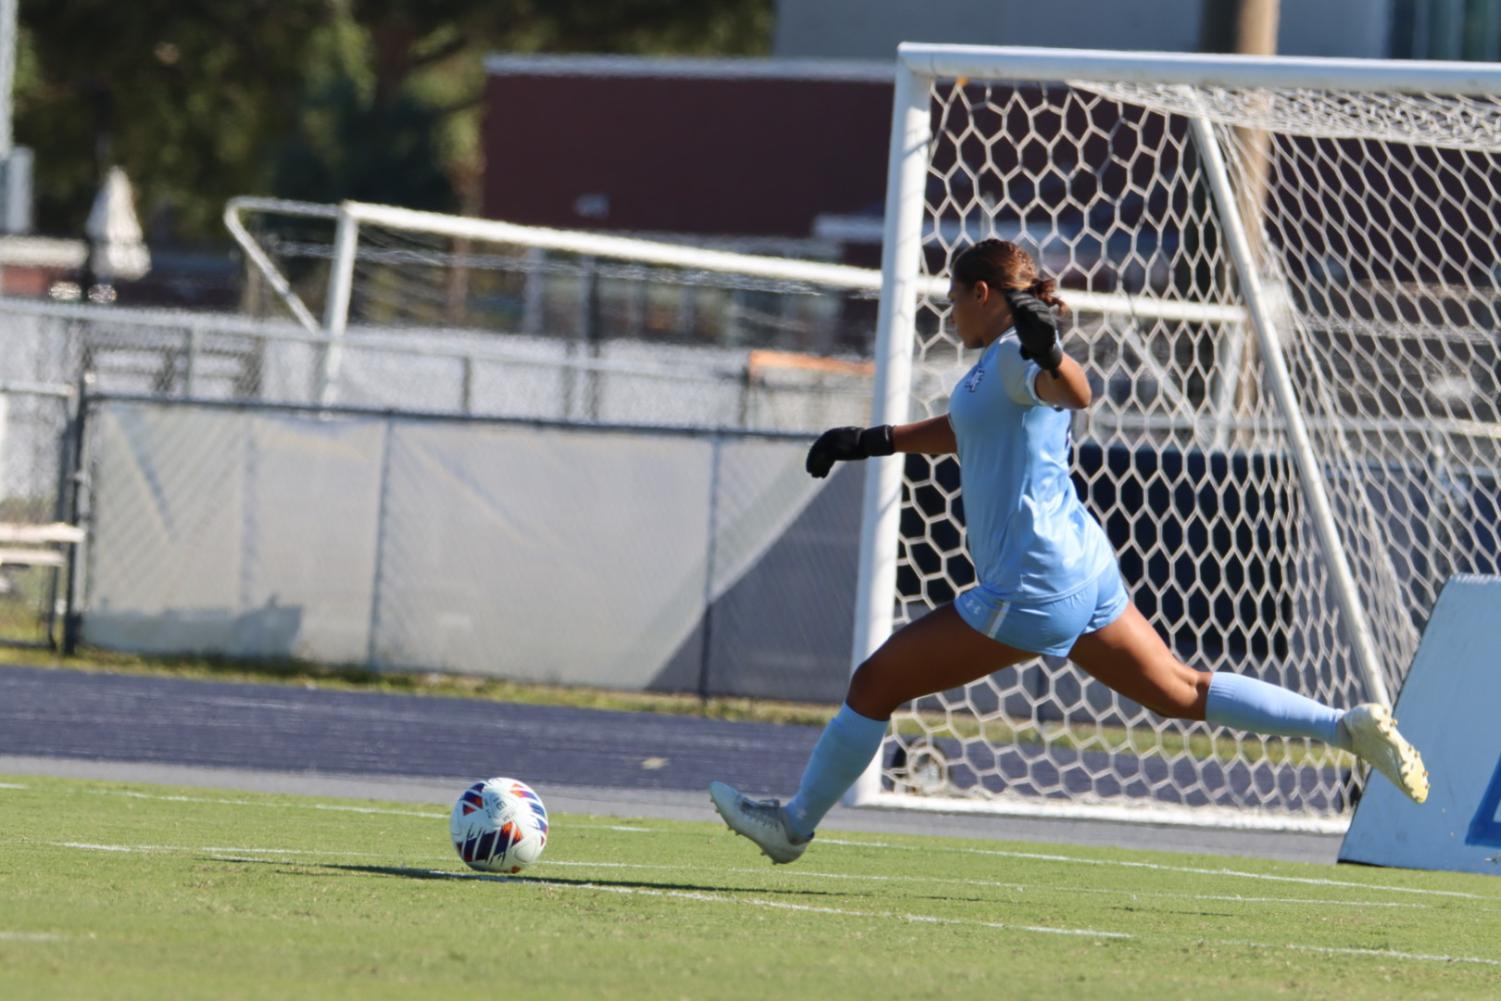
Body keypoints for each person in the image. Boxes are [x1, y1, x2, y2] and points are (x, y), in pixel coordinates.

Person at [708, 238, 1428, 864]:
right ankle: (1345, 726)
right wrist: (873, 440)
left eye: (951, 297)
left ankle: (793, 824)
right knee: (1181, 690)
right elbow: (969, 430)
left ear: (982, 293)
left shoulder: (1019, 353)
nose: (946, 311)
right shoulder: (996, 361)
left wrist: (1049, 347)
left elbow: (1074, 389)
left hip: (1031, 584)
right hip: (1084, 569)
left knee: (873, 684)